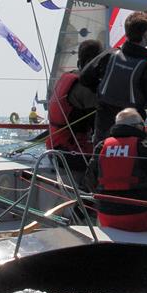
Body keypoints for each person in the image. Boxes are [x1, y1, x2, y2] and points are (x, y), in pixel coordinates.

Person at [80, 11, 147, 143]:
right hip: (131, 135)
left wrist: (102, 93)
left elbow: (85, 77)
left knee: (101, 160)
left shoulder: (109, 55)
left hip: (103, 133)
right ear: (145, 34)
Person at [87, 108, 147, 231]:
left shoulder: (101, 147)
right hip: (139, 215)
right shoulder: (145, 147)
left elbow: (90, 181)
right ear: (138, 126)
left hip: (106, 214)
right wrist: (145, 200)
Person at [46, 39, 102, 186]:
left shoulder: (67, 78)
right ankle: (86, 205)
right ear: (94, 62)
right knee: (113, 163)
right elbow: (101, 124)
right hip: (71, 153)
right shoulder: (84, 89)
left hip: (55, 149)